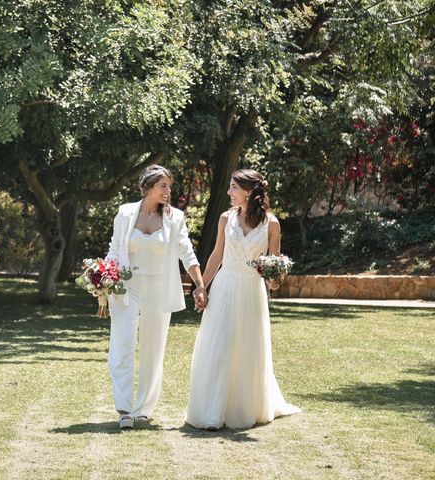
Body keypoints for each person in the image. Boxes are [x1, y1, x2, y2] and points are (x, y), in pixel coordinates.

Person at [186, 169, 301, 430]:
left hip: (251, 290)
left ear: (248, 192)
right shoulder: (226, 219)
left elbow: (273, 262)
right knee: (220, 346)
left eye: (233, 188)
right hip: (225, 286)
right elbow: (217, 255)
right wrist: (202, 286)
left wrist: (275, 280)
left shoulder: (271, 223)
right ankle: (213, 412)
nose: (229, 192)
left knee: (246, 348)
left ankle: (244, 408)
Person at [106, 164, 207, 429]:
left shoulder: (175, 217)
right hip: (126, 287)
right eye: (163, 185)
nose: (168, 191)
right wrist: (103, 279)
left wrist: (199, 284)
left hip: (159, 289)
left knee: (153, 348)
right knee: (122, 344)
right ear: (148, 186)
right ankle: (124, 409)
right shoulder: (126, 213)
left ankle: (144, 408)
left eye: (169, 186)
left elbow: (187, 252)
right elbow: (115, 249)